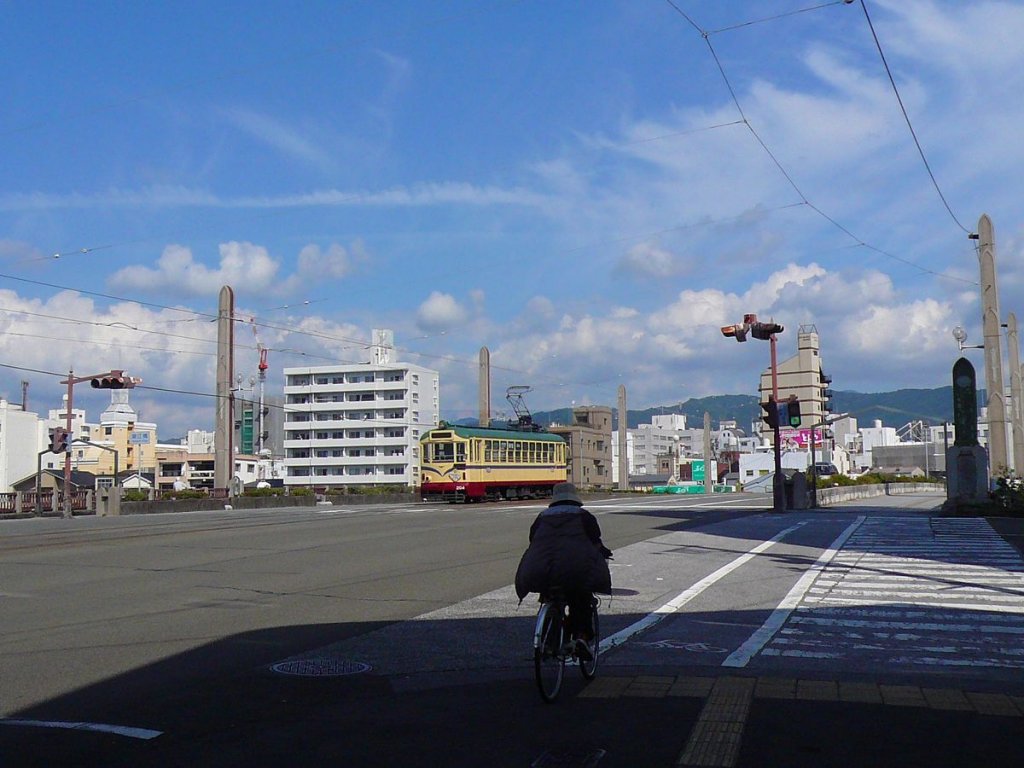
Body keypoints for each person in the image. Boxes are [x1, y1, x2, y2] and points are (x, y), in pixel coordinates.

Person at [514, 482, 612, 660]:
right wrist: (604, 552)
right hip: (575, 570)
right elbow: (595, 543)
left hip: (542, 569)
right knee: (581, 599)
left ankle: (548, 639)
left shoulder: (542, 517)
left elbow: (533, 540)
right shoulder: (585, 517)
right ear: (575, 499)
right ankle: (581, 638)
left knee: (551, 594)